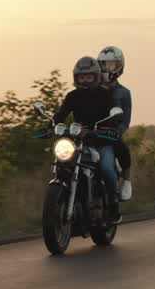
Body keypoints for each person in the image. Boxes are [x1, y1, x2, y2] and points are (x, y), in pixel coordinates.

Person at [53, 56, 123, 223]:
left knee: (106, 168)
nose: (85, 80)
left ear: (96, 77)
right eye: (81, 77)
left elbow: (114, 113)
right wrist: (51, 124)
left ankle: (113, 205)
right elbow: (62, 113)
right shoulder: (72, 96)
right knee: (63, 163)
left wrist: (109, 124)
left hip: (101, 141)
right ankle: (70, 200)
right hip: (80, 140)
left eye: (88, 77)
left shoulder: (104, 95)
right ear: (76, 78)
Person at [97, 46, 135, 201]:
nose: (107, 68)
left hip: (111, 133)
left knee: (122, 148)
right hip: (92, 132)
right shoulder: (93, 88)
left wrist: (116, 132)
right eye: (103, 64)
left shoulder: (124, 93)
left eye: (111, 64)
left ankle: (126, 181)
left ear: (119, 65)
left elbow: (125, 121)